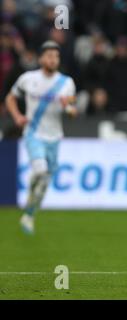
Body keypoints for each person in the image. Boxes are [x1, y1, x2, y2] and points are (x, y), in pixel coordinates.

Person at [5, 41, 77, 235]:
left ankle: (29, 214)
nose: (53, 59)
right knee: (40, 169)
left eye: (56, 56)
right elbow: (10, 98)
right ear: (41, 58)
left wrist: (67, 107)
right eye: (49, 56)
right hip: (33, 133)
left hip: (54, 137)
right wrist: (17, 116)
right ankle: (31, 192)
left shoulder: (66, 83)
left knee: (45, 181)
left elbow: (72, 111)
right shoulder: (28, 79)